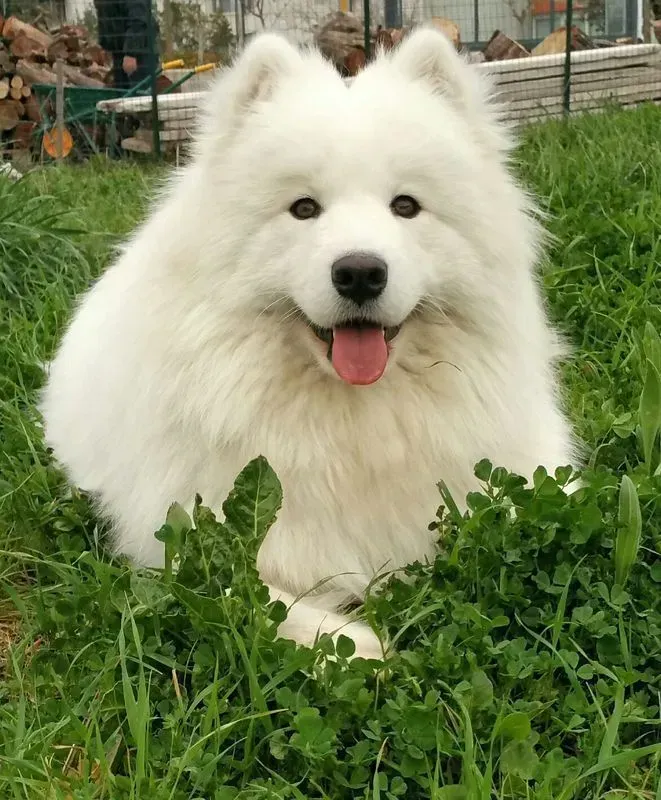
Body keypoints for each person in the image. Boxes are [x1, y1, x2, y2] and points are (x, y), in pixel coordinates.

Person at [93, 0, 160, 90]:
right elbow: (106, 18)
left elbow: (138, 21)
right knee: (122, 97)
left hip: (140, 53)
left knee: (139, 98)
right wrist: (105, 45)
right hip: (119, 54)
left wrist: (131, 53)